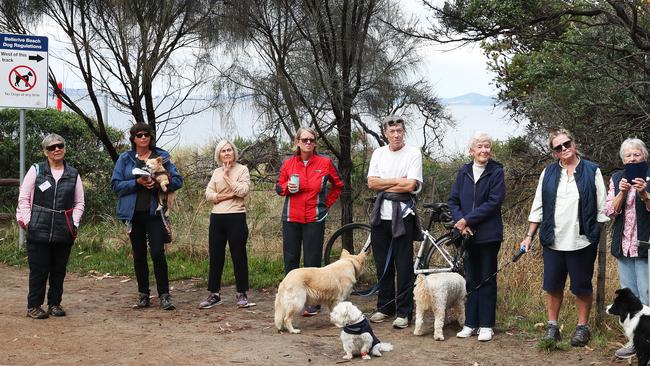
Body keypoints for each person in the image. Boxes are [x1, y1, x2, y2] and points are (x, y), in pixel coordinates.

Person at [519, 129, 608, 347]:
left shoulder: (592, 170)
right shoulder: (548, 173)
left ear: (574, 143)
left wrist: (595, 233)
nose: (564, 149)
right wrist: (529, 236)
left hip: (582, 240)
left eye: (566, 144)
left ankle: (582, 328)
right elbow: (538, 207)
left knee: (581, 286)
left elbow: (602, 208)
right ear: (554, 153)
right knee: (553, 285)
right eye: (558, 148)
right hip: (553, 240)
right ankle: (552, 327)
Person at [111, 123, 183, 310]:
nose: (143, 138)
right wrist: (137, 183)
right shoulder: (125, 159)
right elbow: (116, 185)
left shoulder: (162, 157)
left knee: (158, 253)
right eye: (139, 135)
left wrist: (158, 185)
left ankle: (164, 295)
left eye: (146, 135)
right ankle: (143, 295)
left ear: (150, 138)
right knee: (139, 255)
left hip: (155, 213)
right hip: (133, 214)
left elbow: (177, 180)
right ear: (133, 138)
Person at [275, 127, 344, 316]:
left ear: (315, 143)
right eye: (304, 140)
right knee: (291, 260)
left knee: (312, 261)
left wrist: (326, 204)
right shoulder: (288, 163)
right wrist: (286, 188)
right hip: (291, 217)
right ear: (297, 142)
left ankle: (313, 303)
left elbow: (339, 185)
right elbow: (279, 188)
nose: (308, 143)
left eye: (311, 140)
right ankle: (291, 299)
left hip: (315, 217)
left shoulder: (325, 162)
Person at [16, 133, 85, 319]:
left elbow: (79, 203)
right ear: (45, 151)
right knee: (39, 270)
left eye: (60, 145)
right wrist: (30, 222)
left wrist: (74, 222)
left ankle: (55, 304)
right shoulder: (36, 170)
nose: (57, 149)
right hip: (38, 228)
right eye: (51, 147)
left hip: (64, 229)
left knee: (58, 270)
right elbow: (23, 198)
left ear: (64, 147)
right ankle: (34, 306)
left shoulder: (73, 174)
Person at [448, 133, 505, 342]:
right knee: (471, 280)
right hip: (466, 235)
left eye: (487, 147)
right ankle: (470, 323)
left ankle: (487, 325)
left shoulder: (497, 171)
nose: (484, 151)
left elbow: (493, 202)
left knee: (487, 279)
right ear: (471, 151)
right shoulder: (463, 172)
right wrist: (461, 222)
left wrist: (468, 220)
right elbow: (453, 200)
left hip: (489, 235)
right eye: (480, 147)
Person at [367, 116, 423, 329]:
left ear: (404, 131)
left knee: (404, 265)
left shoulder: (413, 153)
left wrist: (386, 184)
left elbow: (410, 185)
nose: (396, 135)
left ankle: (403, 311)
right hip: (380, 215)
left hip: (403, 215)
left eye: (399, 130)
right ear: (385, 133)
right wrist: (397, 181)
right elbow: (372, 182)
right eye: (392, 132)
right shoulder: (379, 153)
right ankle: (385, 306)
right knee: (383, 264)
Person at [604, 138, 650, 359]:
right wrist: (621, 193)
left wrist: (644, 195)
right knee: (630, 298)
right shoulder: (617, 178)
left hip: (645, 248)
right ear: (623, 159)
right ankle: (635, 342)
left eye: (637, 155)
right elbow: (609, 212)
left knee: (647, 297)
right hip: (624, 247)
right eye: (628, 156)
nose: (633, 159)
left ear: (644, 156)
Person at [198, 140, 255, 309]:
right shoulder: (216, 171)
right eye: (223, 151)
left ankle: (242, 293)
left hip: (236, 216)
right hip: (217, 218)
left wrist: (227, 178)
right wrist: (226, 196)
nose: (227, 153)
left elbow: (243, 191)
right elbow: (208, 194)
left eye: (229, 150)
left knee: (239, 256)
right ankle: (214, 294)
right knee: (216, 256)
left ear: (234, 152)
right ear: (219, 154)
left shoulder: (242, 169)